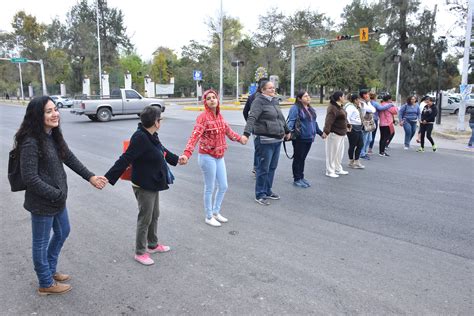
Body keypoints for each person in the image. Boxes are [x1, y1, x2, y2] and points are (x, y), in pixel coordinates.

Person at [15, 96, 107, 296]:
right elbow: (30, 178)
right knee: (40, 242)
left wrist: (90, 177)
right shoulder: (31, 142)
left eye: (55, 109)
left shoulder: (52, 136)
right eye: (48, 111)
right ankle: (45, 282)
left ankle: (50, 269)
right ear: (37, 116)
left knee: (63, 231)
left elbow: (70, 158)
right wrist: (55, 194)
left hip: (57, 200)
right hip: (42, 202)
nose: (55, 114)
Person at [104, 106, 185, 265]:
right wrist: (107, 178)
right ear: (156, 122)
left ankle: (152, 244)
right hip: (143, 184)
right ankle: (140, 252)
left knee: (154, 215)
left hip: (153, 181)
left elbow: (162, 150)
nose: (160, 122)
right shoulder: (140, 137)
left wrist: (177, 159)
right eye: (159, 119)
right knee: (145, 218)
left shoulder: (151, 134)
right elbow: (125, 159)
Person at [182, 89, 245, 227]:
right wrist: (187, 154)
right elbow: (194, 136)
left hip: (219, 156)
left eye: (214, 97)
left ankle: (216, 212)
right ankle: (209, 216)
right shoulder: (203, 117)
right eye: (209, 98)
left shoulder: (220, 117)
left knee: (223, 186)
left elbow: (229, 132)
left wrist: (241, 139)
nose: (212, 100)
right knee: (209, 187)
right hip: (206, 157)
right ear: (205, 102)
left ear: (217, 100)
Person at [241, 80, 291, 205]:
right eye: (270, 88)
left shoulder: (274, 100)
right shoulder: (258, 101)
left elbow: (280, 117)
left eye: (273, 88)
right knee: (263, 168)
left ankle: (268, 190)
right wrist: (246, 133)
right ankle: (260, 194)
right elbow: (252, 117)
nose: (273, 90)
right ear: (262, 90)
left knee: (272, 167)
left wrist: (287, 130)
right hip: (264, 140)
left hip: (277, 139)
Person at [287, 90, 323, 188]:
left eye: (308, 96)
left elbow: (314, 123)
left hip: (309, 137)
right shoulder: (295, 108)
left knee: (303, 158)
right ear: (299, 99)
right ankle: (296, 178)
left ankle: (301, 177)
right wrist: (288, 132)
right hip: (300, 137)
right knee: (298, 158)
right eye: (305, 96)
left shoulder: (310, 109)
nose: (308, 98)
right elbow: (291, 121)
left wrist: (320, 133)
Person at [322, 91, 350, 178]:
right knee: (332, 153)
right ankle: (330, 171)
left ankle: (338, 168)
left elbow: (344, 118)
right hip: (334, 134)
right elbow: (328, 121)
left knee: (339, 153)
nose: (344, 98)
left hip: (341, 133)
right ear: (339, 97)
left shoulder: (339, 107)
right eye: (343, 96)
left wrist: (348, 125)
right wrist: (326, 132)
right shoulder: (332, 108)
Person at [243, 77, 268, 176]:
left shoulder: (252, 97)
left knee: (259, 147)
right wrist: (250, 124)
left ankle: (257, 167)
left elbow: (245, 112)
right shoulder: (258, 98)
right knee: (261, 148)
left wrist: (250, 123)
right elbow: (245, 112)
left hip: (259, 128)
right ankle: (258, 168)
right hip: (261, 128)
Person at [344, 94, 365, 169]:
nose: (360, 101)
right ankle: (351, 161)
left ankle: (356, 161)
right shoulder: (350, 107)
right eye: (359, 99)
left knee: (361, 144)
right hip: (353, 127)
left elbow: (363, 114)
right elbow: (347, 117)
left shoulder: (356, 107)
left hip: (358, 127)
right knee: (352, 145)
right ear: (355, 100)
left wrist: (362, 107)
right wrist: (349, 126)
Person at [359, 90, 376, 160]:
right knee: (364, 139)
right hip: (364, 123)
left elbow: (374, 109)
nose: (368, 95)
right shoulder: (361, 102)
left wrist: (368, 102)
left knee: (369, 139)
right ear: (363, 95)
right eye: (367, 94)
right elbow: (369, 110)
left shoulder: (367, 102)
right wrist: (368, 103)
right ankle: (362, 153)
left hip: (369, 122)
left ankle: (364, 152)